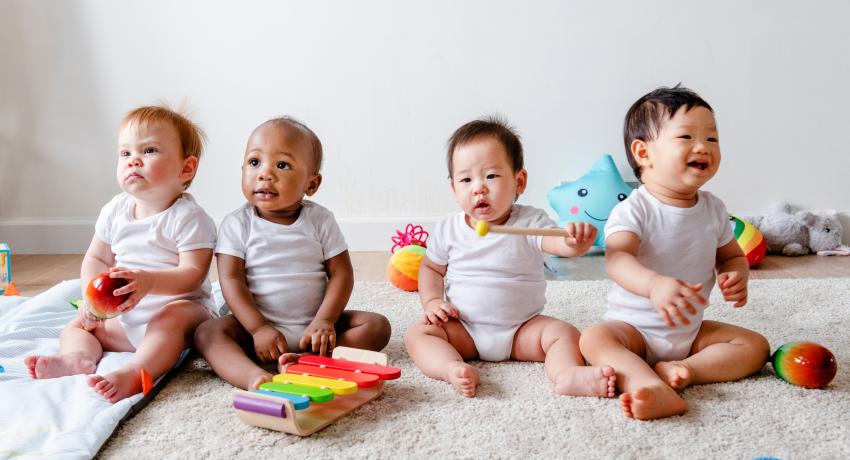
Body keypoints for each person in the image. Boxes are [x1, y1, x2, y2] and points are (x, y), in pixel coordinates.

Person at [579, 85, 770, 420]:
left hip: (689, 332)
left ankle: (683, 370)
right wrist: (654, 285)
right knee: (594, 339)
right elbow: (618, 258)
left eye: (712, 138)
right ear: (643, 153)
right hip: (632, 329)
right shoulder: (634, 209)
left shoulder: (713, 208)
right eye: (686, 137)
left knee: (755, 347)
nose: (704, 147)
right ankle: (647, 384)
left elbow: (730, 255)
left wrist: (735, 273)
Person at [404, 117, 617, 398]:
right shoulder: (448, 228)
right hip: (464, 329)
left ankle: (567, 375)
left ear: (519, 181)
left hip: (522, 329)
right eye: (466, 179)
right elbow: (431, 268)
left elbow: (558, 244)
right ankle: (451, 368)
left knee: (564, 334)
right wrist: (432, 301)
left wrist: (575, 241)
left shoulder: (529, 221)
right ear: (454, 189)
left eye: (491, 176)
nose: (478, 188)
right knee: (418, 335)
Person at [25, 105, 217, 403]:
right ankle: (78, 357)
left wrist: (149, 283)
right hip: (124, 314)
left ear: (186, 169)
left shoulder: (190, 218)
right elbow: (96, 259)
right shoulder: (116, 210)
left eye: (149, 150)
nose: (133, 161)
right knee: (78, 325)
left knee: (173, 317)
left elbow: (193, 275)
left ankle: (136, 371)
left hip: (180, 315)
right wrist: (91, 297)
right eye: (125, 153)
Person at [194, 117, 391, 390]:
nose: (265, 173)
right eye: (254, 163)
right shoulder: (237, 224)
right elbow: (231, 279)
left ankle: (304, 361)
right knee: (208, 333)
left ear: (311, 184)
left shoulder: (320, 220)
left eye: (282, 165)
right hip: (256, 329)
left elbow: (341, 272)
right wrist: (257, 328)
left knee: (377, 326)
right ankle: (253, 377)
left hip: (315, 327)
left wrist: (326, 320)